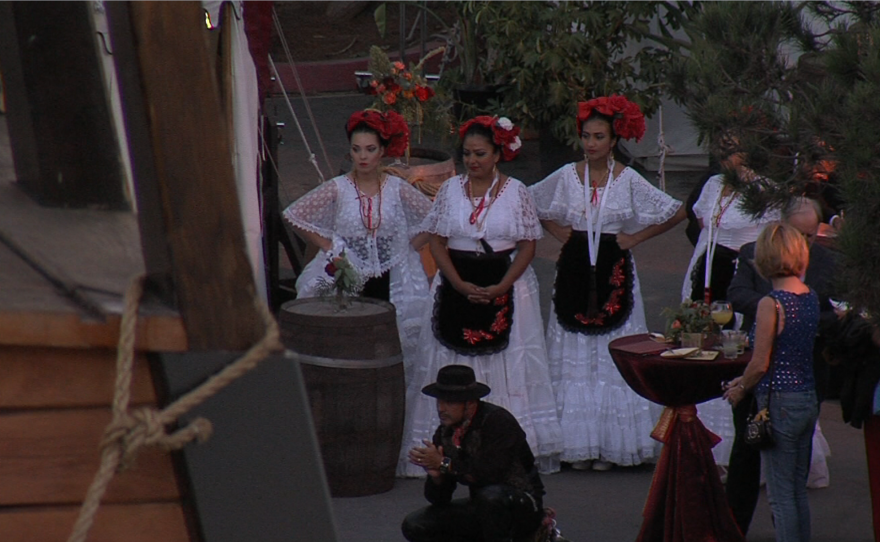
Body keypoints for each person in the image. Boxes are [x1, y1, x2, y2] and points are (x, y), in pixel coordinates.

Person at [398, 116, 563, 477]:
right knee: (450, 354)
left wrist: (503, 286)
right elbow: (437, 241)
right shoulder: (450, 190)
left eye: (481, 153)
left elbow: (527, 245)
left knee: (508, 362)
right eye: (468, 153)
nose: (473, 160)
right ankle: (443, 446)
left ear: (497, 155)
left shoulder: (517, 191)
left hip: (505, 280)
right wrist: (455, 282)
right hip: (455, 279)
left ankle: (499, 448)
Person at [529, 96, 686, 470]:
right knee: (576, 351)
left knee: (611, 349)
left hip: (614, 263)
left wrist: (634, 239)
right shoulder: (568, 175)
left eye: (599, 136)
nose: (591, 143)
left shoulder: (628, 179)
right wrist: (560, 232)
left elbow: (677, 211)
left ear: (614, 140)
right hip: (575, 265)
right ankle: (577, 445)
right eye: (586, 136)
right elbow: (531, 200)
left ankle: (614, 446)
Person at [283, 109, 432, 380]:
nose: (362, 156)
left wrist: (408, 247)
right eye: (356, 149)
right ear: (350, 152)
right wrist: (330, 247)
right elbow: (294, 214)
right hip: (347, 272)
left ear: (382, 151)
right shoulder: (338, 187)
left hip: (394, 275)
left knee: (394, 344)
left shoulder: (397, 189)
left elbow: (434, 218)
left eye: (370, 149)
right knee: (347, 346)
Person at [725, 197, 839, 534]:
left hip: (777, 400)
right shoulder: (805, 296)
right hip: (803, 395)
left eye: (811, 235)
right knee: (792, 492)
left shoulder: (773, 304)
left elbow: (760, 364)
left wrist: (738, 386)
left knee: (781, 495)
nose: (805, 242)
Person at [680, 147, 782, 469]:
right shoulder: (712, 184)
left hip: (742, 275)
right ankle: (701, 445)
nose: (725, 156)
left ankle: (733, 451)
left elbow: (770, 241)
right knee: (700, 349)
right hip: (707, 271)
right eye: (721, 148)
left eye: (733, 149)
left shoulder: (766, 191)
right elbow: (701, 221)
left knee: (733, 352)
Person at [401, 365, 546, 542]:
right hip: (483, 505)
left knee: (491, 498)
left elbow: (489, 474)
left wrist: (444, 464)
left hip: (521, 505)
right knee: (416, 525)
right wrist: (437, 477)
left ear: (470, 404)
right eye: (439, 401)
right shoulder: (444, 432)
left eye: (450, 402)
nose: (441, 408)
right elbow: (439, 500)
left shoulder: (497, 421)